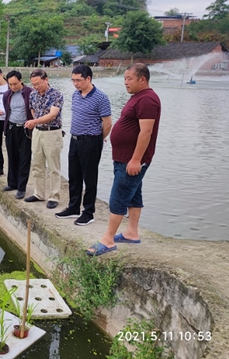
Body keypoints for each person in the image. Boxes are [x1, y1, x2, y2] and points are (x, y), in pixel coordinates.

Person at [87, 63, 161, 256]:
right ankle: (131, 232)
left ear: (142, 79)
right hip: (125, 158)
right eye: (124, 79)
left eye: (129, 79)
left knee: (118, 196)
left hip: (132, 159)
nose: (125, 82)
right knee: (134, 195)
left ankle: (108, 239)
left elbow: (146, 132)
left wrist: (136, 159)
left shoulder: (148, 100)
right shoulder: (138, 97)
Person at [56, 65, 112, 226]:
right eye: (73, 80)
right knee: (74, 176)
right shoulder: (76, 94)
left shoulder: (101, 97)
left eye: (78, 80)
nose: (75, 84)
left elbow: (108, 123)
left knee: (89, 178)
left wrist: (99, 138)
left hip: (91, 141)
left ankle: (88, 212)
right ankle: (73, 207)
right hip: (75, 140)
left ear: (88, 79)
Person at [23, 69, 64, 209]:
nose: (36, 87)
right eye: (33, 84)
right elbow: (33, 110)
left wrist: (35, 122)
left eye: (38, 83)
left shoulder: (56, 94)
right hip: (38, 132)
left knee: (53, 166)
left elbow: (52, 115)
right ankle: (39, 193)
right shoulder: (33, 94)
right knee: (37, 165)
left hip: (52, 132)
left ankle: (54, 196)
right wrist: (36, 122)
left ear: (46, 80)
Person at [1, 70, 34, 199]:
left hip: (25, 130)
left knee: (24, 159)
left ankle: (21, 187)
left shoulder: (29, 93)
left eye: (15, 84)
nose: (13, 87)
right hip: (11, 128)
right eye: (10, 84)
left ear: (21, 81)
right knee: (12, 156)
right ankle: (12, 183)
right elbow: (7, 110)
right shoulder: (7, 95)